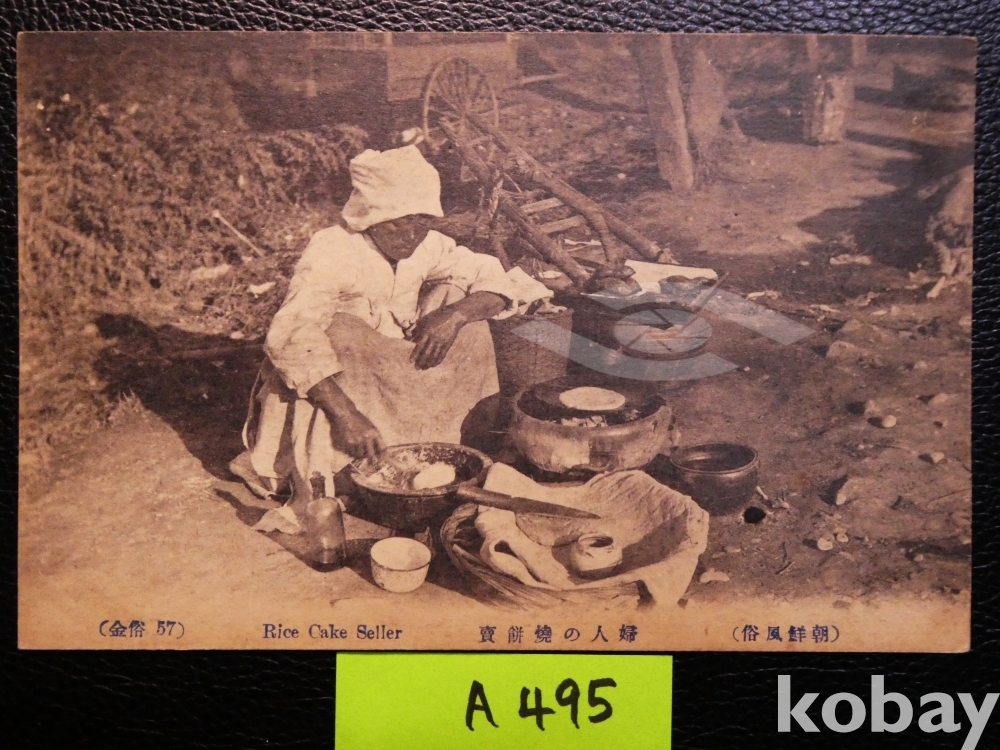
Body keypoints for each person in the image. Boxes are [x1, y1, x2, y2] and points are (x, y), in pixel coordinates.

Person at [229, 145, 521, 514]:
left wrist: (456, 315)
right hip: (337, 382)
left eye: (423, 220)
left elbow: (493, 276)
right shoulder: (333, 249)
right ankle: (338, 468)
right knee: (341, 331)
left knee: (469, 318)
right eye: (400, 222)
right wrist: (346, 414)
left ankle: (456, 447)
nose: (412, 234)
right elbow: (292, 335)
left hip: (392, 369)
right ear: (372, 216)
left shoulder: (428, 245)